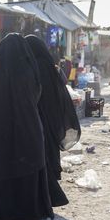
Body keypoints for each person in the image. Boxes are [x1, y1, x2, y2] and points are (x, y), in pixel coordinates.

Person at [0, 33, 54, 220]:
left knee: (3, 169)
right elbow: (37, 95)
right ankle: (29, 211)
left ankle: (4, 213)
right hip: (28, 129)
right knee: (28, 168)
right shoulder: (28, 69)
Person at [25, 35, 81, 207]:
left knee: (43, 153)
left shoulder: (36, 66)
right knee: (49, 151)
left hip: (41, 115)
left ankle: (46, 192)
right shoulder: (49, 65)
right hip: (51, 115)